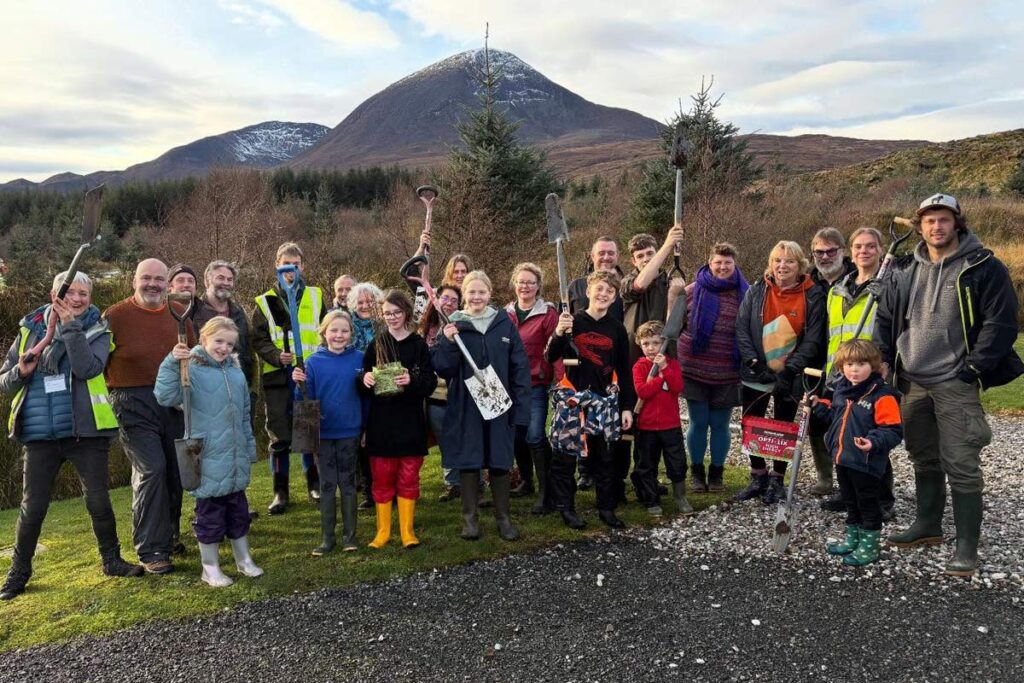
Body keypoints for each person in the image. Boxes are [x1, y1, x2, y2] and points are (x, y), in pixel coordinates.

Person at [875, 193, 1023, 577]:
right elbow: (887, 317)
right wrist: (885, 360)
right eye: (928, 221)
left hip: (956, 380)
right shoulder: (905, 267)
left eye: (943, 219)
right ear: (919, 226)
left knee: (961, 462)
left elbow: (1001, 322)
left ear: (957, 222)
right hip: (912, 380)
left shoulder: (983, 266)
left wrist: (974, 368)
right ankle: (928, 526)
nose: (935, 227)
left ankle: (966, 546)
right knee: (923, 457)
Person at [0, 272, 142, 600]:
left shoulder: (97, 328)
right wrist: (21, 371)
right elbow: (5, 382)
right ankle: (19, 573)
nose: (77, 299)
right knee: (32, 507)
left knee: (97, 500)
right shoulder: (28, 330)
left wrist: (69, 327)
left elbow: (87, 368)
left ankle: (111, 560)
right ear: (55, 294)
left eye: (84, 294)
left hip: (85, 432)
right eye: (71, 293)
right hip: (38, 434)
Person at [155, 317, 263, 587]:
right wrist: (171, 362)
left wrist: (249, 448)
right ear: (204, 339)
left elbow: (244, 415)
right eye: (219, 341)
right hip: (207, 456)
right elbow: (165, 396)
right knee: (210, 515)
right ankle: (210, 567)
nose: (224, 347)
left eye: (229, 343)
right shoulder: (189, 367)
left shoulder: (236, 373)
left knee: (238, 512)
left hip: (234, 456)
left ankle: (244, 560)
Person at [104, 258, 195, 575]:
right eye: (146, 278)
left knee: (175, 471)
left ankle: (168, 537)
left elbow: (195, 358)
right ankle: (151, 548)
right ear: (134, 281)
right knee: (151, 470)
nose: (152, 284)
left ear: (167, 284)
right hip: (132, 402)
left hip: (173, 403)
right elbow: (96, 364)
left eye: (159, 279)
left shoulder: (179, 316)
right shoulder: (114, 316)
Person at [433, 271, 531, 542]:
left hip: (499, 402)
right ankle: (470, 520)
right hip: (466, 405)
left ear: (490, 294)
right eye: (471, 292)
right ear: (464, 295)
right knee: (469, 459)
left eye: (482, 292)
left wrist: (521, 408)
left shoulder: (503, 323)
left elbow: (519, 366)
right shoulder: (454, 324)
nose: (476, 297)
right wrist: (449, 343)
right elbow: (443, 368)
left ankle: (503, 518)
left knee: (500, 458)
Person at [734, 241, 825, 504]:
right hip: (757, 372)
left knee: (784, 426)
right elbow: (742, 328)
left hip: (791, 376)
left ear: (800, 266)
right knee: (751, 423)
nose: (782, 266)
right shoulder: (757, 290)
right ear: (770, 264)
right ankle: (757, 475)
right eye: (777, 260)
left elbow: (813, 338)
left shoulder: (812, 294)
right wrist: (754, 363)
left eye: (789, 261)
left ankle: (777, 479)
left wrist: (790, 371)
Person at [546, 270, 636, 529]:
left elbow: (624, 370)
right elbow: (551, 356)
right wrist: (560, 333)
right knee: (565, 457)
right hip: (572, 398)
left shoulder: (617, 329)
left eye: (609, 291)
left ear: (614, 297)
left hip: (604, 401)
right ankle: (566, 507)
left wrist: (626, 407)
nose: (603, 294)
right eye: (599, 289)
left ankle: (606, 508)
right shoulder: (573, 322)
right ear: (588, 291)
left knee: (605, 457)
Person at [818, 229, 897, 519]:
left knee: (872, 437)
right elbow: (832, 335)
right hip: (841, 373)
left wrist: (884, 363)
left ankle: (882, 498)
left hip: (871, 373)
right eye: (859, 246)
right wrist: (830, 373)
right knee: (843, 433)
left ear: (879, 250)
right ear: (851, 252)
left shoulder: (887, 286)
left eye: (871, 246)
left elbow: (891, 328)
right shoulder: (838, 290)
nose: (864, 251)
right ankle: (847, 491)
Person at [812, 340, 903, 566]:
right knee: (850, 502)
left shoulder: (882, 396)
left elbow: (892, 430)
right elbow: (835, 418)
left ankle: (870, 547)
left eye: (861, 364)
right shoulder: (842, 390)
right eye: (849, 364)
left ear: (873, 366)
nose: (854, 369)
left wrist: (873, 442)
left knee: (867, 504)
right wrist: (818, 405)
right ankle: (853, 539)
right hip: (843, 458)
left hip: (866, 462)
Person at [251, 242, 325, 515]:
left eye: (296, 264)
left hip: (309, 375)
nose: (291, 270)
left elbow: (326, 331)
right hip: (278, 379)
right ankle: (280, 493)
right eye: (286, 264)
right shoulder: (265, 301)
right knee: (280, 437)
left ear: (302, 266)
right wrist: (274, 355)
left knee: (309, 432)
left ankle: (314, 485)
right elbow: (257, 338)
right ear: (277, 266)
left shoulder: (316, 296)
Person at [360, 290, 437, 549]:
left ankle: (407, 532)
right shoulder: (377, 344)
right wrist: (365, 379)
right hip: (381, 423)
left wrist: (411, 380)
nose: (392, 318)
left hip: (411, 422)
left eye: (397, 313)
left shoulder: (418, 345)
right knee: (381, 477)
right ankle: (382, 532)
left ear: (406, 313)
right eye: (387, 313)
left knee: (408, 476)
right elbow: (362, 382)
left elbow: (429, 382)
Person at [292, 310, 364, 555]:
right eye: (334, 330)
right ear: (324, 333)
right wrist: (298, 384)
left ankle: (350, 536)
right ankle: (327, 538)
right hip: (323, 433)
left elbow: (367, 397)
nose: (339, 335)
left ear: (351, 333)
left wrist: (365, 427)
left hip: (350, 430)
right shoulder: (312, 362)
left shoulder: (360, 359)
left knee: (348, 482)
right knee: (326, 483)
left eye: (344, 331)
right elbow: (304, 400)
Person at [678, 242, 748, 493]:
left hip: (728, 371)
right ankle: (696, 473)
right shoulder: (691, 291)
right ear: (709, 262)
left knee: (720, 424)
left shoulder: (745, 293)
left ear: (734, 264)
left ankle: (716, 474)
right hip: (694, 369)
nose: (722, 266)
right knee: (698, 421)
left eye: (727, 262)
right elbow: (674, 326)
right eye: (718, 262)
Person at [566, 236, 626, 493]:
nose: (606, 257)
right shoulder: (576, 287)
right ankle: (584, 471)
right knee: (581, 422)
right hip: (581, 366)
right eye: (601, 252)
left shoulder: (624, 287)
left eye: (610, 253)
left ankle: (611, 479)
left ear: (617, 255)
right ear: (592, 255)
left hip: (610, 362)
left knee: (604, 428)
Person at [504, 263, 559, 513]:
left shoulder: (547, 313)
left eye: (530, 282)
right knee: (517, 435)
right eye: (521, 281)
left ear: (538, 286)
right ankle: (527, 481)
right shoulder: (505, 314)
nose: (525, 286)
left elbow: (556, 349)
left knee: (535, 434)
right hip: (510, 385)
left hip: (535, 383)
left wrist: (561, 379)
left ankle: (548, 492)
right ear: (514, 284)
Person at [807, 228, 855, 499]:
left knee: (851, 424)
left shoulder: (855, 279)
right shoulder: (809, 284)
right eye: (819, 252)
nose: (825, 257)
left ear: (843, 251)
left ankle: (853, 480)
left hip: (848, 365)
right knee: (816, 420)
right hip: (814, 364)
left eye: (831, 251)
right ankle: (825, 478)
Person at [632, 321, 691, 517]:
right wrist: (658, 379)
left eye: (656, 343)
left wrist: (664, 368)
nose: (650, 348)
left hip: (670, 425)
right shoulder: (639, 367)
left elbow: (677, 387)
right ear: (640, 345)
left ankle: (680, 496)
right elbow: (642, 391)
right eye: (646, 343)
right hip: (646, 427)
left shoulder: (672, 364)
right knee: (647, 464)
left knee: (677, 462)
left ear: (663, 343)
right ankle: (651, 499)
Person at [419, 284, 465, 501]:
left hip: (458, 393)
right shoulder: (426, 328)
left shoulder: (463, 325)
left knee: (465, 437)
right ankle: (453, 482)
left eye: (454, 300)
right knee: (444, 440)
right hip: (435, 395)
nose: (448, 302)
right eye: (445, 298)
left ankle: (475, 481)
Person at [621, 227, 686, 364]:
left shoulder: (673, 283)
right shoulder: (626, 283)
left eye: (650, 253)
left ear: (656, 254)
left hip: (665, 357)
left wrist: (674, 295)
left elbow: (677, 325)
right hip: (633, 357)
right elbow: (640, 285)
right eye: (640, 256)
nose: (646, 259)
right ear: (633, 261)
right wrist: (668, 244)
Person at [346, 281, 384, 509]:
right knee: (362, 440)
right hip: (356, 387)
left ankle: (387, 486)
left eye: (369, 301)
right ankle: (368, 489)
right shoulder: (347, 325)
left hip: (382, 386)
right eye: (360, 302)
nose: (365, 305)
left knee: (380, 436)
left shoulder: (383, 324)